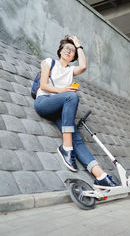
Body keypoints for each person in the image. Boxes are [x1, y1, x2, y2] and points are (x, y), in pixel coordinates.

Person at [34, 35, 117, 189]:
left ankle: (101, 176)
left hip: (60, 109)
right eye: (67, 48)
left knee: (77, 139)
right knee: (71, 96)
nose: (69, 52)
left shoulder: (71, 71)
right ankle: (66, 148)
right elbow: (44, 85)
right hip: (44, 102)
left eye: (72, 51)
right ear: (60, 50)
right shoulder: (49, 62)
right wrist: (63, 90)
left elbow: (83, 66)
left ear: (74, 56)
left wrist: (79, 45)